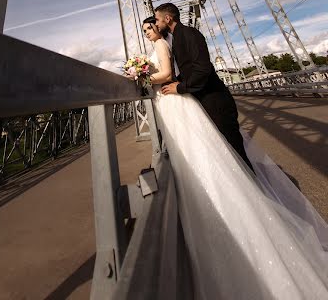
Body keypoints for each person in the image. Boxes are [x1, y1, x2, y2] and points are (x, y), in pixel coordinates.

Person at [141, 15, 328, 299]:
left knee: (225, 157)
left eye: (151, 25)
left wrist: (142, 76)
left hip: (209, 102)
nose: (148, 31)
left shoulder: (182, 37)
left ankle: (253, 203)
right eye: (145, 28)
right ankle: (250, 197)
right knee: (218, 155)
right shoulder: (173, 40)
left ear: (164, 20)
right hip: (191, 102)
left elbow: (181, 73)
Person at [154, 2, 253, 170]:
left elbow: (203, 69)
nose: (156, 24)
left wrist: (179, 87)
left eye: (157, 20)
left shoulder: (189, 33)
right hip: (207, 99)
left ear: (168, 18)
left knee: (236, 152)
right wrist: (172, 82)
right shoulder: (178, 37)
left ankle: (256, 191)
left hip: (216, 100)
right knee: (228, 153)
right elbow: (189, 70)